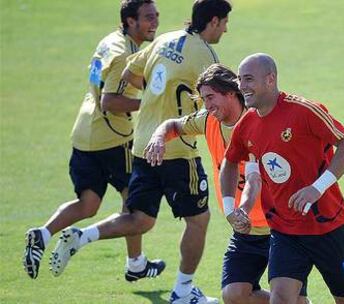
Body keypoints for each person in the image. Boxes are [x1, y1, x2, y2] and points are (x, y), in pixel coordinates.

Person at [50, 1, 232, 303]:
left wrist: (155, 97)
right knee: (198, 220)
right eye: (224, 22)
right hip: (176, 149)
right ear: (213, 21)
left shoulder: (164, 39)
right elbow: (219, 101)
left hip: (142, 145)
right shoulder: (204, 54)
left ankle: (83, 236)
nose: (226, 29)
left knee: (141, 218)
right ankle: (183, 291)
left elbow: (131, 73)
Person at [144, 63, 311, 304]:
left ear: (231, 92)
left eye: (211, 97)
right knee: (234, 295)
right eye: (203, 99)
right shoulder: (207, 120)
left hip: (280, 228)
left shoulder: (259, 122)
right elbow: (173, 125)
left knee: (285, 298)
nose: (207, 105)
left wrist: (238, 209)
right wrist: (158, 137)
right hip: (246, 229)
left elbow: (254, 179)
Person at [220, 53, 344, 304]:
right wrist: (230, 208)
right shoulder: (247, 123)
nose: (242, 86)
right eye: (240, 79)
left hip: (328, 225)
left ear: (270, 79)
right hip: (285, 230)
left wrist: (316, 189)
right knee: (281, 299)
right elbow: (230, 162)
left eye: (248, 79)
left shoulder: (305, 111)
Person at [23, 0, 164, 281]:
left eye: (156, 16)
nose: (155, 23)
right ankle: (133, 261)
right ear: (130, 21)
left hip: (84, 132)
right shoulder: (125, 54)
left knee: (88, 203)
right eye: (148, 18)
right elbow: (110, 101)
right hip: (113, 139)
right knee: (135, 207)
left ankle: (42, 234)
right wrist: (148, 104)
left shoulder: (110, 41)